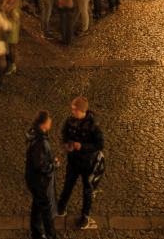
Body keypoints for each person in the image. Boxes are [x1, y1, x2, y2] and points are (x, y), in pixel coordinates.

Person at [57, 96, 103, 230]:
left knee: (87, 190)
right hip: (73, 161)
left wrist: (82, 146)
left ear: (82, 111)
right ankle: (61, 207)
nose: (72, 112)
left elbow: (99, 144)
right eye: (72, 109)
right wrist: (67, 144)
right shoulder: (70, 121)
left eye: (75, 109)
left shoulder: (93, 126)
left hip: (88, 163)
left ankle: (85, 216)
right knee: (67, 185)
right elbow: (64, 134)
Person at [25, 111, 58, 239]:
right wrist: (53, 165)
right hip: (40, 182)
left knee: (37, 204)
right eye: (49, 120)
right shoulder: (41, 142)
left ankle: (36, 232)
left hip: (32, 179)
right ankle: (50, 235)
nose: (51, 122)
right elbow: (41, 166)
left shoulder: (34, 134)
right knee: (46, 210)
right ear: (43, 125)